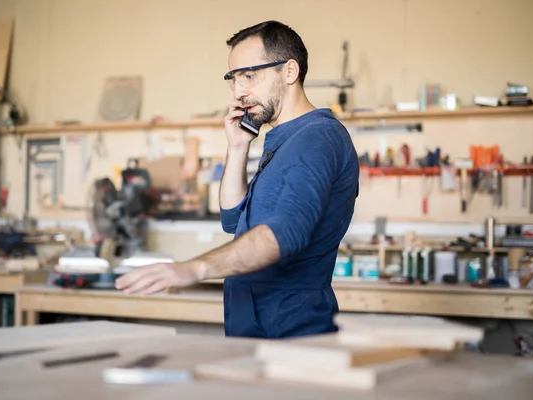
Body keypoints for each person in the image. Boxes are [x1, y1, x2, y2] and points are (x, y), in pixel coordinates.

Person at [115, 20, 359, 338]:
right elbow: (232, 219)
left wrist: (192, 269)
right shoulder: (281, 142)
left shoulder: (316, 138)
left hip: (293, 335)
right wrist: (238, 146)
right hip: (254, 329)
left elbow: (285, 234)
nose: (239, 92)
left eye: (249, 75)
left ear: (289, 72)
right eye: (233, 79)